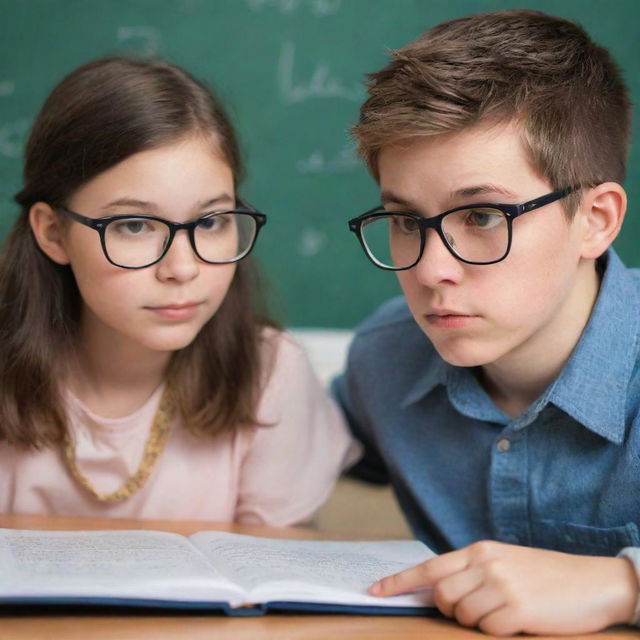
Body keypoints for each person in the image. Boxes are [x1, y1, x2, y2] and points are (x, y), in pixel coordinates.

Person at [333, 9, 640, 635]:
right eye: (407, 222)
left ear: (596, 219)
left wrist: (622, 584)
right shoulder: (383, 362)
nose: (431, 271)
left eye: (480, 217)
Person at [0, 56, 359, 524]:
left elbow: (275, 576)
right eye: (134, 225)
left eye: (210, 221)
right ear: (53, 233)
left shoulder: (270, 376)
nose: (182, 268)